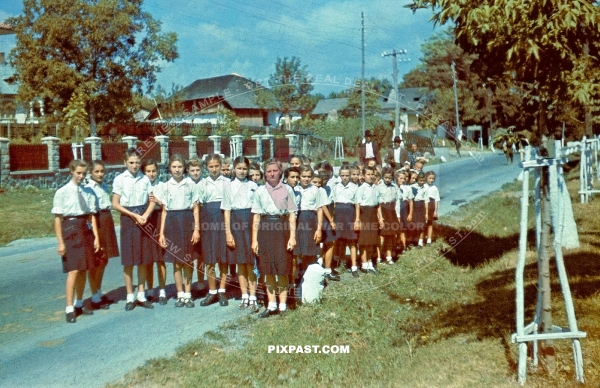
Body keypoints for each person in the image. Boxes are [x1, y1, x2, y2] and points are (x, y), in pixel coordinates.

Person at [52, 159, 100, 323]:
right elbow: (58, 219)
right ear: (71, 171)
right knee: (73, 270)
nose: (81, 176)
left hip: (85, 230)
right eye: (78, 173)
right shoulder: (62, 192)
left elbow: (91, 216)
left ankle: (79, 303)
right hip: (70, 229)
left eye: (84, 173)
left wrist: (96, 238)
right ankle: (69, 308)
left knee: (84, 269)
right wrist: (60, 242)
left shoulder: (88, 191)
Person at [251, 159, 297, 318]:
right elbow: (256, 217)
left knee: (282, 269)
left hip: (282, 228)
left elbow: (292, 215)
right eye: (269, 171)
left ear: (280, 172)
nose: (272, 174)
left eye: (275, 171)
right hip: (265, 229)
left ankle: (283, 305)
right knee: (268, 269)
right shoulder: (259, 191)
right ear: (265, 173)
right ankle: (272, 305)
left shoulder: (287, 189)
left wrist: (292, 237)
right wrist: (254, 240)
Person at [112, 148, 156, 311]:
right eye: (131, 162)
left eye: (137, 162)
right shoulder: (119, 179)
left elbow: (152, 200)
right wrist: (134, 215)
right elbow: (115, 204)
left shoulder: (145, 179)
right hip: (128, 219)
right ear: (125, 163)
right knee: (129, 261)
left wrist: (145, 215)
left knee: (143, 260)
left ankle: (141, 295)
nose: (134, 165)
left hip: (143, 218)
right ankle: (130, 296)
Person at [222, 156, 260, 313]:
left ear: (248, 169)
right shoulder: (229, 186)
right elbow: (227, 210)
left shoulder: (254, 185)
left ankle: (253, 297)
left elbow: (258, 209)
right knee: (240, 262)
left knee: (251, 262)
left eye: (245, 168)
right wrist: (228, 233)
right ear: (233, 169)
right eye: (239, 168)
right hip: (236, 224)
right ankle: (244, 295)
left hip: (250, 223)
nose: (242, 171)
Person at [85, 160, 119, 310]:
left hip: (106, 220)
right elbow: (90, 212)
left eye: (102, 171)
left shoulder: (104, 186)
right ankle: (95, 296)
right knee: (97, 260)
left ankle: (97, 292)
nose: (99, 174)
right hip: (96, 222)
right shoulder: (88, 188)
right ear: (90, 173)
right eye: (96, 172)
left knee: (104, 260)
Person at [197, 154, 230, 307]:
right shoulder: (202, 183)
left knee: (223, 258)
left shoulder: (227, 182)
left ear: (220, 165)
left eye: (216, 166)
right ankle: (212, 291)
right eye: (211, 167)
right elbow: (198, 206)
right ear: (206, 168)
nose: (214, 169)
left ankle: (222, 290)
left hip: (223, 218)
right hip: (208, 221)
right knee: (209, 258)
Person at [293, 166, 325, 284]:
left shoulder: (315, 190)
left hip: (311, 220)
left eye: (308, 177)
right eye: (303, 176)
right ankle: (297, 275)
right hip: (297, 220)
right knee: (297, 249)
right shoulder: (294, 189)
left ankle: (309, 276)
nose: (306, 179)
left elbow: (320, 209)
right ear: (299, 177)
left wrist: (319, 229)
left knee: (310, 250)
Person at [142, 158, 166, 304]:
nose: (151, 174)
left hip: (158, 219)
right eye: (148, 171)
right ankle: (150, 290)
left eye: (153, 171)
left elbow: (167, 205)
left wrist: (158, 201)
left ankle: (162, 290)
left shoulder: (162, 185)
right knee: (148, 258)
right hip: (145, 220)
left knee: (160, 258)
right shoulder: (141, 185)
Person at [330, 164, 360, 277]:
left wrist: (357, 219)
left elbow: (357, 204)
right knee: (338, 240)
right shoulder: (336, 187)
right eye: (343, 175)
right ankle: (338, 263)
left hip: (350, 213)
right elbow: (333, 204)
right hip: (338, 214)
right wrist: (332, 219)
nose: (345, 177)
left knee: (352, 241)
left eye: (347, 175)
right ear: (340, 176)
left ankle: (353, 266)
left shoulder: (354, 187)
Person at [356, 166, 383, 274]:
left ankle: (370, 263)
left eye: (373, 174)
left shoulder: (376, 188)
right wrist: (358, 219)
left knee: (372, 241)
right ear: (363, 176)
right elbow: (357, 204)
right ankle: (364, 265)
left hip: (373, 215)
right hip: (364, 215)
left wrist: (380, 218)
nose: (371, 176)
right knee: (365, 241)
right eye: (368, 174)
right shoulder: (361, 188)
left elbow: (378, 205)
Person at [187, 158, 206, 299]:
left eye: (197, 170)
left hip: (203, 219)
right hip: (188, 220)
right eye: (192, 170)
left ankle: (200, 283)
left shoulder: (204, 183)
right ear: (188, 171)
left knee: (201, 254)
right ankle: (187, 286)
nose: (195, 173)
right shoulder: (185, 183)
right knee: (189, 253)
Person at [377, 167, 399, 265]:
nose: (387, 180)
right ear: (382, 177)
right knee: (381, 236)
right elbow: (377, 203)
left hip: (391, 212)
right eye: (385, 177)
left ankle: (389, 256)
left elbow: (397, 201)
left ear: (392, 178)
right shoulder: (378, 187)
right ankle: (378, 257)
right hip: (382, 211)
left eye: (389, 178)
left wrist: (397, 215)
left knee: (390, 235)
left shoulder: (394, 187)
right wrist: (379, 217)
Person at [395, 170, 413, 255]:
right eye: (400, 178)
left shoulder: (407, 188)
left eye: (404, 178)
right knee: (395, 228)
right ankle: (395, 246)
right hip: (395, 209)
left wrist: (410, 213)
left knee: (403, 229)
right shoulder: (394, 187)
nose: (402, 180)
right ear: (396, 178)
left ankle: (403, 246)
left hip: (404, 209)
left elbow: (410, 201)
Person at [411, 172, 428, 249]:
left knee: (421, 225)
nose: (422, 182)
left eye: (423, 180)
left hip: (421, 206)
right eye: (420, 180)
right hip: (414, 206)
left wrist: (426, 213)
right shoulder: (412, 187)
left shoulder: (425, 188)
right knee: (414, 224)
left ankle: (420, 242)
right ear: (417, 180)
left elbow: (426, 201)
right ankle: (414, 239)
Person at [425, 171, 440, 246]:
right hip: (423, 205)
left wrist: (435, 211)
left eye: (433, 179)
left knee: (430, 223)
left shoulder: (435, 188)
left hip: (431, 205)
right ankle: (421, 238)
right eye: (430, 178)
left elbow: (436, 200)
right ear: (426, 178)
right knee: (422, 223)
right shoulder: (423, 186)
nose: (431, 180)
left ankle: (429, 239)